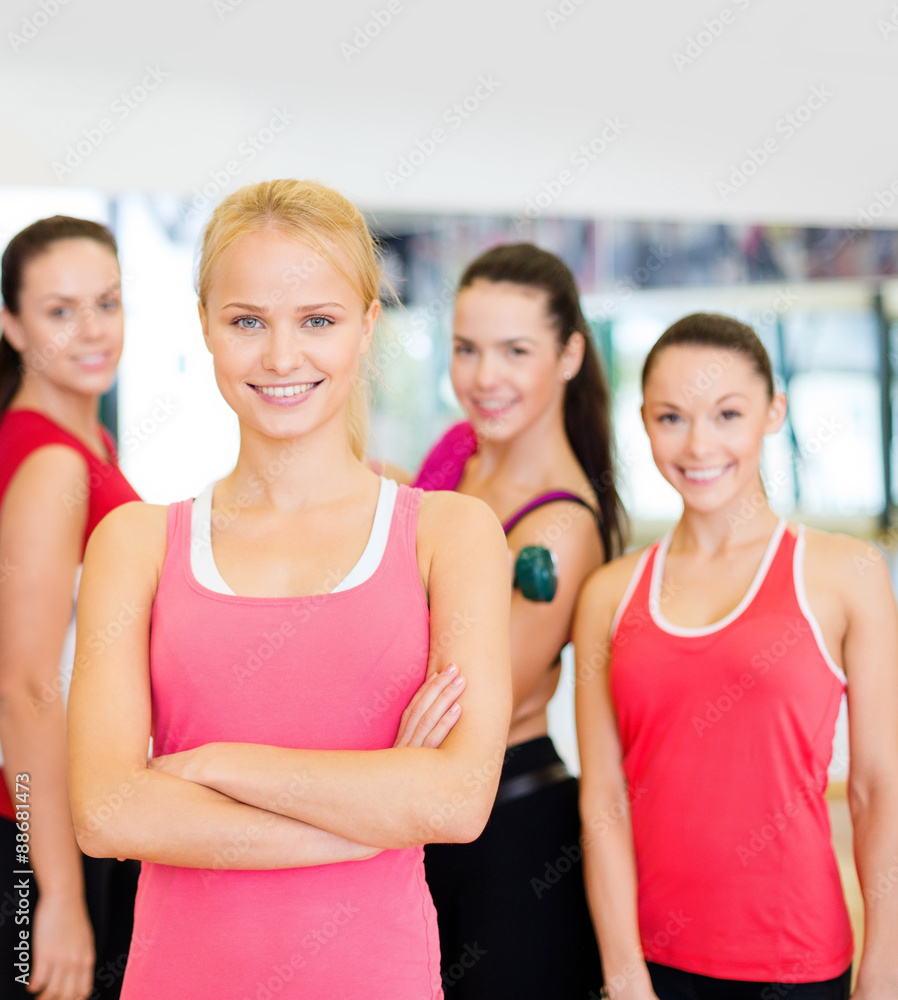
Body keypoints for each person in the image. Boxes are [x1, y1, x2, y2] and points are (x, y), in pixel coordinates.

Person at [66, 179, 512, 1000]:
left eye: (318, 320)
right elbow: (106, 813)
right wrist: (371, 815)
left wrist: (210, 766)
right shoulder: (134, 545)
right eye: (247, 322)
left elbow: (454, 803)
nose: (281, 358)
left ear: (368, 324)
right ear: (205, 324)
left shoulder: (451, 536)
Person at [575, 312, 898, 1000]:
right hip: (654, 962)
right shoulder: (609, 593)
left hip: (797, 958)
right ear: (643, 421)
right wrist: (623, 972)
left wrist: (886, 970)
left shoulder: (847, 574)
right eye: (670, 418)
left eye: (727, 414)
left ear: (773, 413)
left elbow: (878, 789)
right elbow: (602, 798)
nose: (698, 445)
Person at [413, 243, 625, 998]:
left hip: (512, 837)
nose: (483, 376)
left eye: (515, 350)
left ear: (569, 354)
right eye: (466, 349)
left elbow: (461, 699)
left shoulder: (560, 528)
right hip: (423, 822)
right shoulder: (458, 456)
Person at [0, 216, 141, 1000]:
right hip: (37, 839)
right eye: (60, 311)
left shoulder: (87, 448)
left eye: (107, 303)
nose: (93, 331)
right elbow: (21, 686)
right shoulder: (51, 463)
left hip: (74, 826)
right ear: (12, 325)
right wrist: (51, 893)